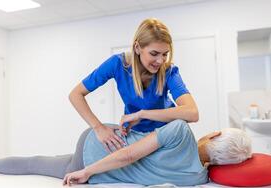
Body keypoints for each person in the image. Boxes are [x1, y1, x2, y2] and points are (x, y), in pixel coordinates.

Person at [69, 18, 199, 153]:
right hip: (135, 137)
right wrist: (98, 128)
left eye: (165, 54)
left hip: (165, 136)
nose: (160, 60)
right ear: (137, 48)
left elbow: (192, 113)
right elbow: (75, 94)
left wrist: (142, 114)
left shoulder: (169, 71)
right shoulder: (117, 64)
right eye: (154, 54)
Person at [0, 120, 252, 186]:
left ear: (215, 135)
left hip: (97, 148)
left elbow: (128, 155)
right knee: (47, 162)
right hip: (100, 170)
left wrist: (85, 171)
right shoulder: (199, 178)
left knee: (38, 163)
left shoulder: (182, 131)